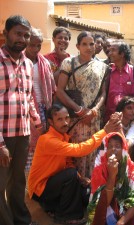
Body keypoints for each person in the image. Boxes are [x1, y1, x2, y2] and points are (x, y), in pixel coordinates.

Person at [28, 104, 120, 225]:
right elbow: (80, 150)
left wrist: (81, 178)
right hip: (40, 190)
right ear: (50, 122)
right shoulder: (47, 140)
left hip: (54, 185)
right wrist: (104, 131)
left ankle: (54, 208)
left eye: (67, 118)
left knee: (86, 192)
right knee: (71, 175)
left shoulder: (64, 137)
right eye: (60, 119)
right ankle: (65, 217)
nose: (65, 122)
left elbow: (68, 162)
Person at [0, 15, 42, 225]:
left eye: (26, 35)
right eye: (18, 33)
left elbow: (27, 97)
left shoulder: (27, 63)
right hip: (2, 135)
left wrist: (37, 122)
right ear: (5, 33)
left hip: (22, 133)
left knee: (17, 181)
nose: (22, 39)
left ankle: (21, 220)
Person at [57, 31, 108, 178]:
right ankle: (74, 192)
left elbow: (103, 93)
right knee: (75, 153)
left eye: (91, 44)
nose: (88, 47)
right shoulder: (69, 63)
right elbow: (60, 91)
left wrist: (94, 111)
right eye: (84, 44)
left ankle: (89, 193)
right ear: (78, 46)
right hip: (75, 118)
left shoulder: (102, 66)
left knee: (92, 154)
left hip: (93, 118)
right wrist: (79, 110)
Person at [89, 132, 134, 225]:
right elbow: (102, 203)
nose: (113, 150)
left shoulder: (133, 170)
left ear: (123, 149)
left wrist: (122, 221)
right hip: (109, 206)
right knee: (103, 206)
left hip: (128, 207)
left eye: (117, 146)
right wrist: (112, 175)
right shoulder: (100, 170)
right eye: (110, 146)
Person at [25, 27, 56, 171]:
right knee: (28, 147)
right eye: (32, 44)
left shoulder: (44, 62)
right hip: (25, 110)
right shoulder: (20, 62)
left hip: (43, 108)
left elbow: (52, 88)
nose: (36, 48)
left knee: (41, 145)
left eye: (39, 45)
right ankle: (27, 181)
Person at [104, 40, 134, 123]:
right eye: (109, 50)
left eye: (113, 50)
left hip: (130, 121)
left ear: (122, 54)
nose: (109, 53)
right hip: (110, 120)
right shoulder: (107, 72)